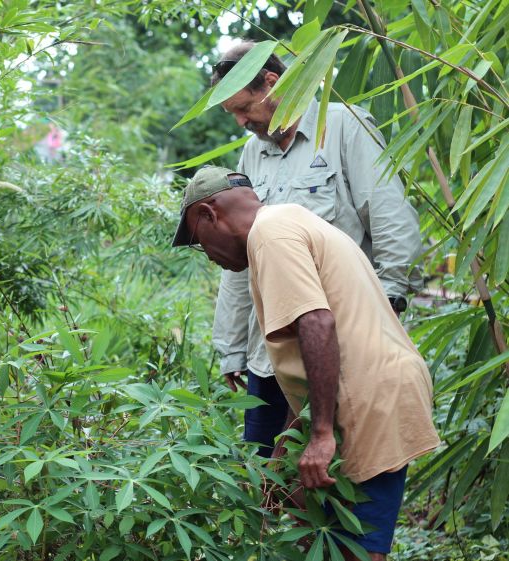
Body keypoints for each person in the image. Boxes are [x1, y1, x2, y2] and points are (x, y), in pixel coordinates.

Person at [173, 166, 440, 559]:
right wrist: (290, 439)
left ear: (210, 215)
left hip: (369, 398)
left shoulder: (270, 236)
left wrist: (320, 435)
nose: (209, 255)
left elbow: (317, 323)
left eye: (199, 241)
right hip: (374, 389)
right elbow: (313, 348)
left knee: (359, 548)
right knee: (319, 524)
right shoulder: (288, 220)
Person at [208, 41, 423, 457]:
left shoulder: (344, 126)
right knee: (270, 486)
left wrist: (388, 305)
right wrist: (231, 347)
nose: (239, 122)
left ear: (272, 82)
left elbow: (391, 220)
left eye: (243, 108)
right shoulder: (253, 152)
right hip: (268, 354)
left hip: (335, 349)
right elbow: (242, 257)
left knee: (341, 475)